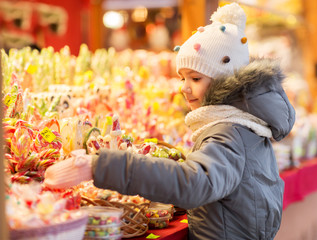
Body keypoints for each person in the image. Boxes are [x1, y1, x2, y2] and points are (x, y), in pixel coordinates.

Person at [44, 3, 295, 239]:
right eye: (182, 78)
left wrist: (101, 166)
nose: (184, 88)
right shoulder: (239, 122)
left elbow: (194, 184)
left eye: (195, 79)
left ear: (225, 80)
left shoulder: (229, 131)